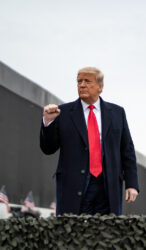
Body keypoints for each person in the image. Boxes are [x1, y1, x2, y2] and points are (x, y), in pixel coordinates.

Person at [40, 67, 139, 216]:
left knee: (107, 235)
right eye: (79, 81)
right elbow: (48, 148)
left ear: (100, 87)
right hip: (73, 186)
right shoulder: (63, 112)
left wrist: (131, 184)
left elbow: (127, 150)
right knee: (74, 235)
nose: (82, 85)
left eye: (87, 81)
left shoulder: (117, 113)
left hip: (108, 187)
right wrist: (47, 123)